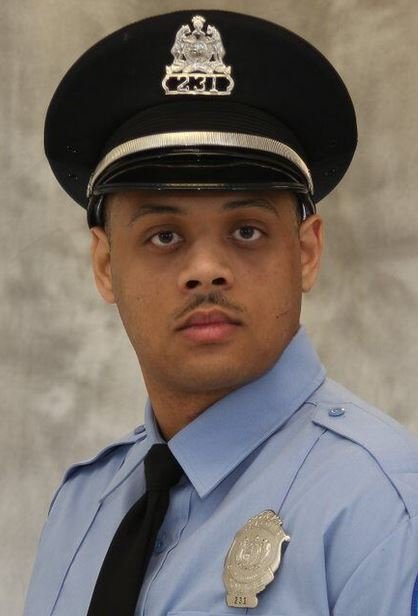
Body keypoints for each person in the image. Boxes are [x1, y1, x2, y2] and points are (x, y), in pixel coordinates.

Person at [23, 9, 418, 616]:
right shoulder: (83, 507)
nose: (206, 269)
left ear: (306, 253)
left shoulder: (384, 510)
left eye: (246, 230)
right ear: (105, 265)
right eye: (164, 236)